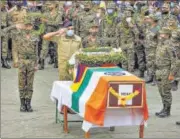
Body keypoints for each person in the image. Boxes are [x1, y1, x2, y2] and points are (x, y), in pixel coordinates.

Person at [2, 14, 40, 112]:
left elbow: (36, 50)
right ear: (23, 25)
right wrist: (15, 26)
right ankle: (22, 104)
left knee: (30, 83)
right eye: (26, 25)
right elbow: (4, 31)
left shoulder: (35, 35)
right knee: (22, 83)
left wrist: (36, 64)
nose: (28, 27)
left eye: (29, 25)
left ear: (32, 26)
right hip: (22, 61)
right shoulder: (17, 34)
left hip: (31, 62)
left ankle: (28, 103)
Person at [43, 21, 82, 114]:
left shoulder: (78, 39)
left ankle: (72, 107)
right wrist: (58, 32)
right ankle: (62, 106)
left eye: (72, 29)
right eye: (68, 29)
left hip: (74, 65)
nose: (71, 30)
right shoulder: (60, 37)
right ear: (65, 30)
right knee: (63, 85)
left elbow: (81, 51)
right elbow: (45, 37)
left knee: (73, 85)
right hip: (63, 64)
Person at [155, 27, 176, 118]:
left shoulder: (170, 46)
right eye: (160, 34)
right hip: (159, 70)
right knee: (161, 90)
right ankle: (163, 108)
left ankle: (167, 110)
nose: (161, 35)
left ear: (167, 35)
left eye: (163, 34)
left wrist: (172, 74)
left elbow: (174, 61)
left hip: (166, 71)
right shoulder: (160, 44)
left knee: (166, 91)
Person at [39, 2, 62, 70]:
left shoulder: (58, 14)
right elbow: (42, 23)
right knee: (44, 48)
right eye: (48, 5)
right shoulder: (45, 13)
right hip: (46, 33)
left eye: (50, 4)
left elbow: (56, 23)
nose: (48, 6)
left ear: (55, 5)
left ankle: (56, 62)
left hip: (55, 33)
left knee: (56, 48)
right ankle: (42, 63)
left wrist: (46, 21)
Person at [144, 14, 160, 84]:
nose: (148, 20)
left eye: (149, 19)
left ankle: (155, 78)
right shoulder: (149, 27)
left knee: (155, 63)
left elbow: (160, 40)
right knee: (149, 63)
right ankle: (150, 77)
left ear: (153, 20)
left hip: (154, 49)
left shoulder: (157, 28)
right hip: (148, 48)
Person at [1, 1, 11, 69]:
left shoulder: (6, 12)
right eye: (3, 3)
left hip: (4, 30)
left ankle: (4, 61)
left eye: (5, 4)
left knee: (5, 46)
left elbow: (8, 22)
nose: (5, 5)